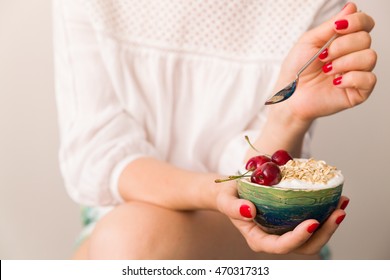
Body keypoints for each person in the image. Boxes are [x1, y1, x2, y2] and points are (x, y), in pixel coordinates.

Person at [53, 0, 376, 259]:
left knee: (127, 240)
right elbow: (100, 156)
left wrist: (288, 117)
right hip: (124, 221)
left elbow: (259, 182)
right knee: (126, 236)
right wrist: (213, 192)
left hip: (252, 226)